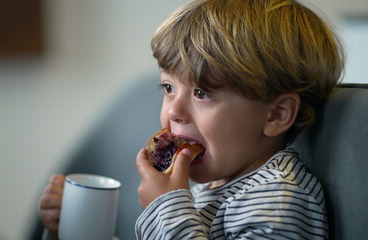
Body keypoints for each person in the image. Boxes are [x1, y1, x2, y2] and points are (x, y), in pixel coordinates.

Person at [39, 0, 344, 239]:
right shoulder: (214, 185)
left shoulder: (276, 201)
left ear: (276, 114)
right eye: (169, 87)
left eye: (202, 92)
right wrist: (76, 230)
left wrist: (166, 210)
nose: (174, 111)